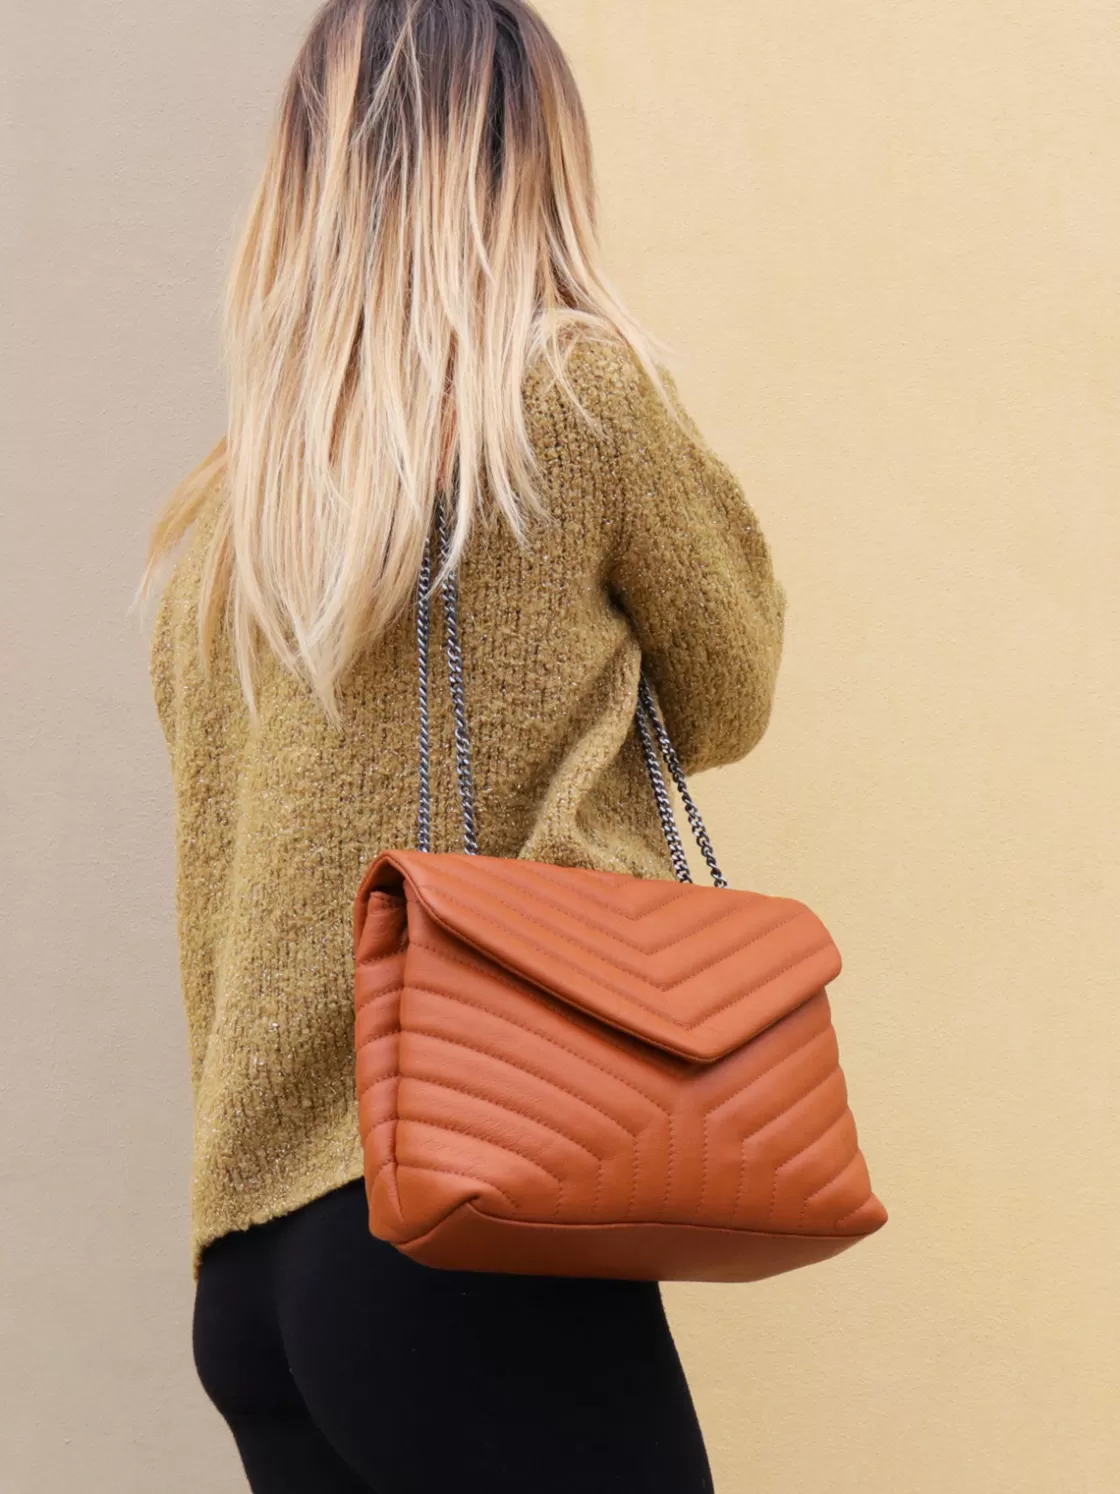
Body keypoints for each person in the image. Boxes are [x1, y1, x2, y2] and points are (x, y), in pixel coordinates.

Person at [139, 1, 786, 1489]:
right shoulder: (569, 396)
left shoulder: (220, 526)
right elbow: (733, 682)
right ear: (526, 156)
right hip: (459, 1204)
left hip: (250, 1271)